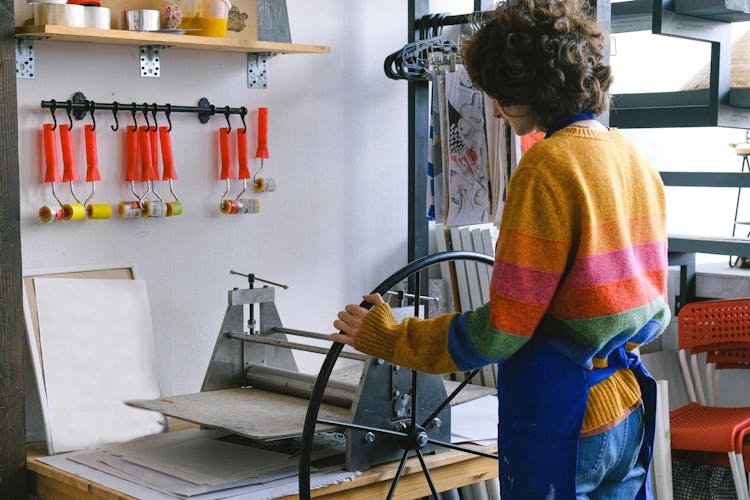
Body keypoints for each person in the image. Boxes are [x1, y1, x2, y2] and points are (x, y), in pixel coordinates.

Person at [332, 0, 670, 498]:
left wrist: (393, 337)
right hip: (626, 410)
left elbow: (504, 331)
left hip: (565, 415)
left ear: (534, 87)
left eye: (501, 95)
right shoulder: (633, 158)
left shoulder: (548, 165)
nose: (493, 108)